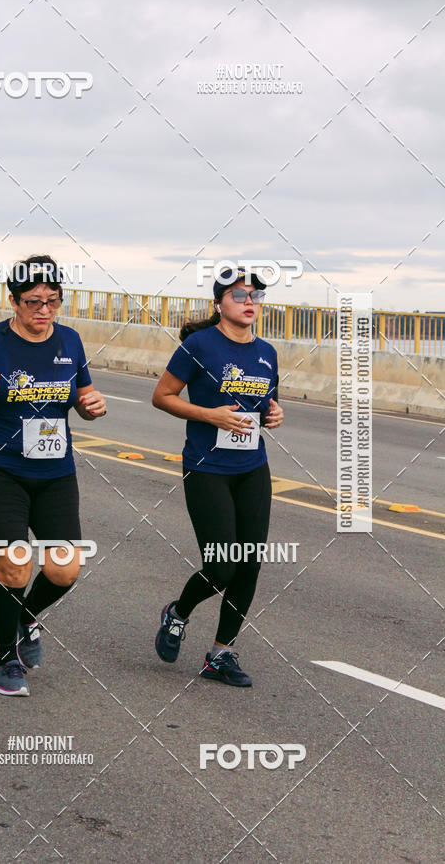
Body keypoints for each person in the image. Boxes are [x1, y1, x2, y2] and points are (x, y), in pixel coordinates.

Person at [0, 255, 106, 696]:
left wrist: (92, 406)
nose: (45, 311)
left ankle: (27, 615)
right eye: (34, 301)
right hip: (0, 469)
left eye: (53, 301)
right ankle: (4, 662)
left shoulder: (70, 341)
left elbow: (84, 392)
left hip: (56, 472)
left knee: (64, 571)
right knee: (15, 566)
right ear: (13, 301)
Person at [152, 266, 284, 687]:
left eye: (256, 297)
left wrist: (274, 413)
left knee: (248, 564)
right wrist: (209, 415)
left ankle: (220, 654)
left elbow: (266, 404)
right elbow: (162, 397)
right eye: (240, 295)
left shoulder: (267, 352)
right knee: (223, 564)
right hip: (207, 468)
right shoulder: (199, 346)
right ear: (219, 304)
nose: (250, 303)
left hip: (252, 469)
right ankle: (178, 613)